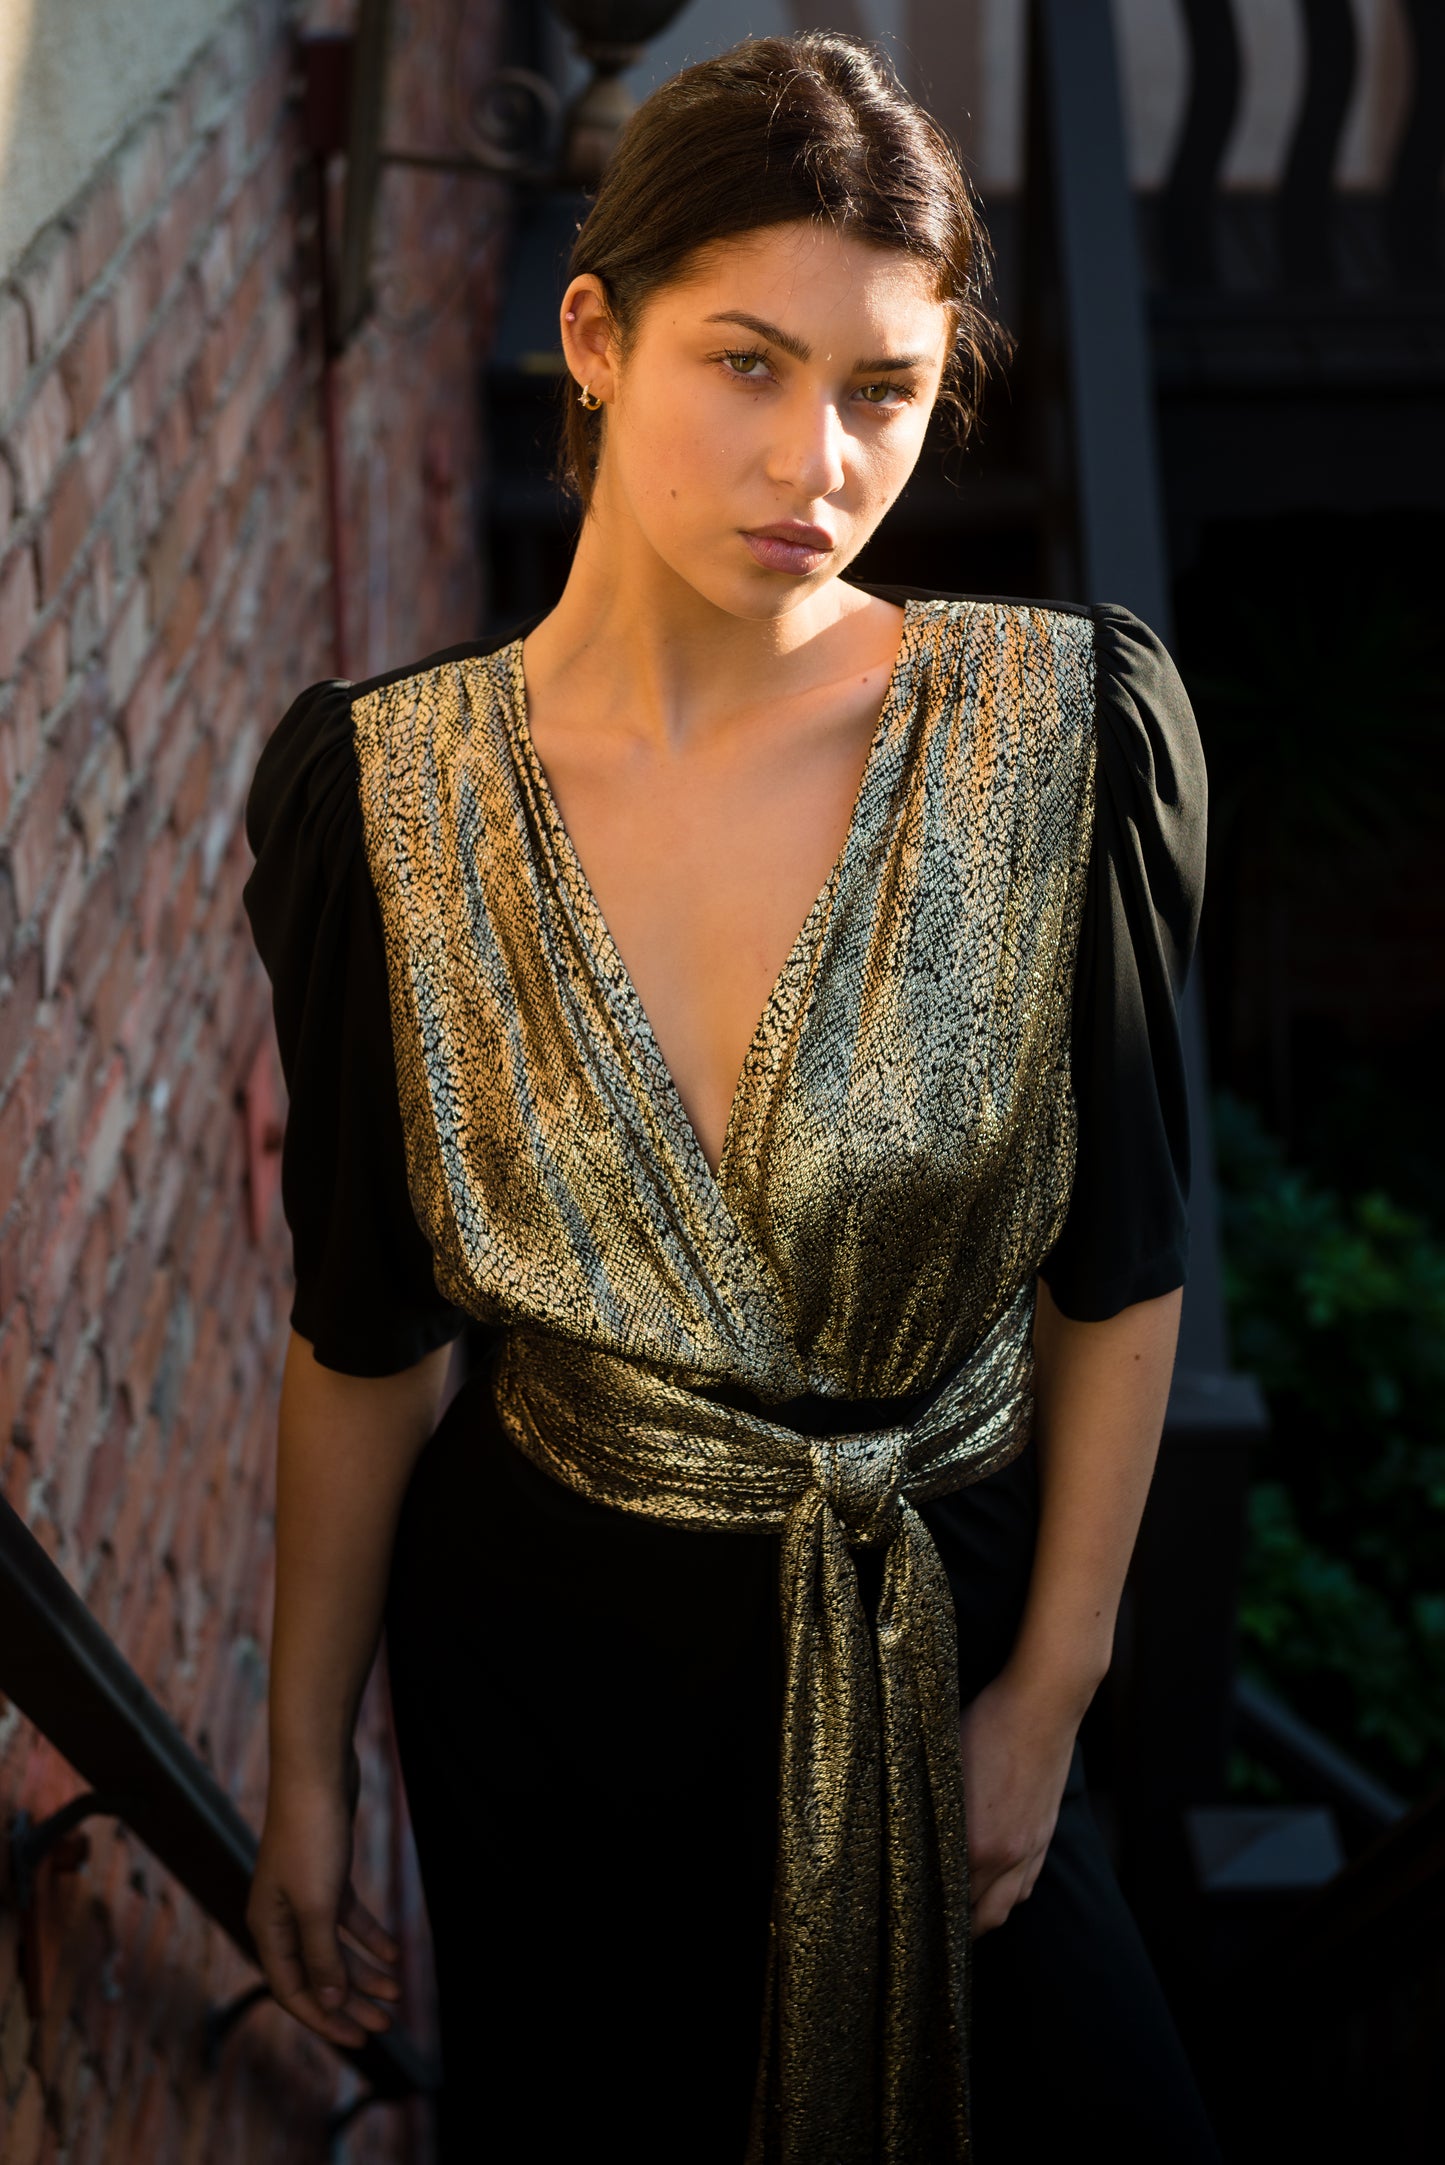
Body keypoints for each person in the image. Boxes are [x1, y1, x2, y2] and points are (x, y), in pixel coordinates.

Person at [241, 31, 1223, 2165]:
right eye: (748, 364)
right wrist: (306, 1758)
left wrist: (1048, 1700)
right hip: (544, 1674)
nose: (821, 457)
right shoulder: (381, 799)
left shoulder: (1064, 742)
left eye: (883, 388)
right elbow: (370, 1341)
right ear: (594, 336)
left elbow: (1125, 1273)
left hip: (942, 1641)